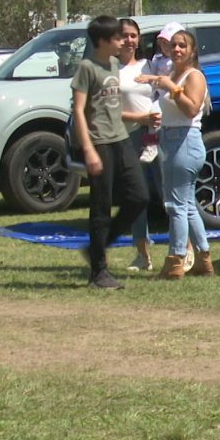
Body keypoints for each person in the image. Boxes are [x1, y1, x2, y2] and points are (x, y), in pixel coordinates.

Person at [70, 15, 149, 289]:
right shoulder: (87, 68)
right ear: (102, 41)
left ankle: (98, 246)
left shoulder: (114, 64)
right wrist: (88, 149)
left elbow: (113, 107)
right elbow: (78, 110)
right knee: (101, 206)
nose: (122, 42)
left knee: (139, 196)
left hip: (121, 138)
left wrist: (138, 118)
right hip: (99, 142)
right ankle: (98, 272)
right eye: (117, 38)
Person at [137, 29, 214, 279]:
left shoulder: (194, 76)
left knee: (175, 206)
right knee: (188, 206)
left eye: (182, 45)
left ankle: (175, 261)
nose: (177, 49)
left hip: (184, 141)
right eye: (173, 45)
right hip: (171, 139)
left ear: (192, 51)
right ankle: (204, 259)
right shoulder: (174, 74)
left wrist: (171, 87)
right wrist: (154, 80)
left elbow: (192, 109)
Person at [117, 18, 159, 271]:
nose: (129, 40)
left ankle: (185, 253)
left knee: (169, 195)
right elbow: (107, 111)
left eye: (134, 35)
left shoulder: (149, 65)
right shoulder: (110, 71)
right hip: (127, 138)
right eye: (124, 35)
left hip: (156, 135)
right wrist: (139, 118)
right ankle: (142, 255)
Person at [139, 21, 183, 164]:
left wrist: (151, 78)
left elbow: (169, 80)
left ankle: (152, 145)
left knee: (154, 111)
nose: (165, 47)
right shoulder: (158, 59)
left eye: (168, 43)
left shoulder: (176, 62)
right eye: (162, 43)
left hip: (168, 94)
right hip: (156, 92)